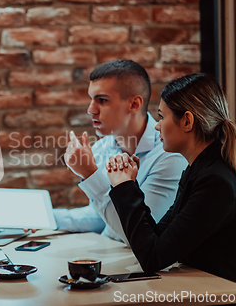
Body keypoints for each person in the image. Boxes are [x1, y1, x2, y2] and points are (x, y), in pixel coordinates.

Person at [107, 73, 236, 286]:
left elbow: (152, 258)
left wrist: (125, 187)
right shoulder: (199, 171)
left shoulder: (216, 183)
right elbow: (156, 240)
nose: (157, 126)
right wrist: (129, 185)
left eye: (162, 117)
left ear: (187, 121)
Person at [56, 59, 188, 244]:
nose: (90, 109)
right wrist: (44, 218)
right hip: (112, 257)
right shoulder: (102, 148)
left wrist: (90, 174)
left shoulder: (169, 154)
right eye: (91, 99)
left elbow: (138, 235)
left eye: (102, 100)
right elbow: (102, 216)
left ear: (134, 104)